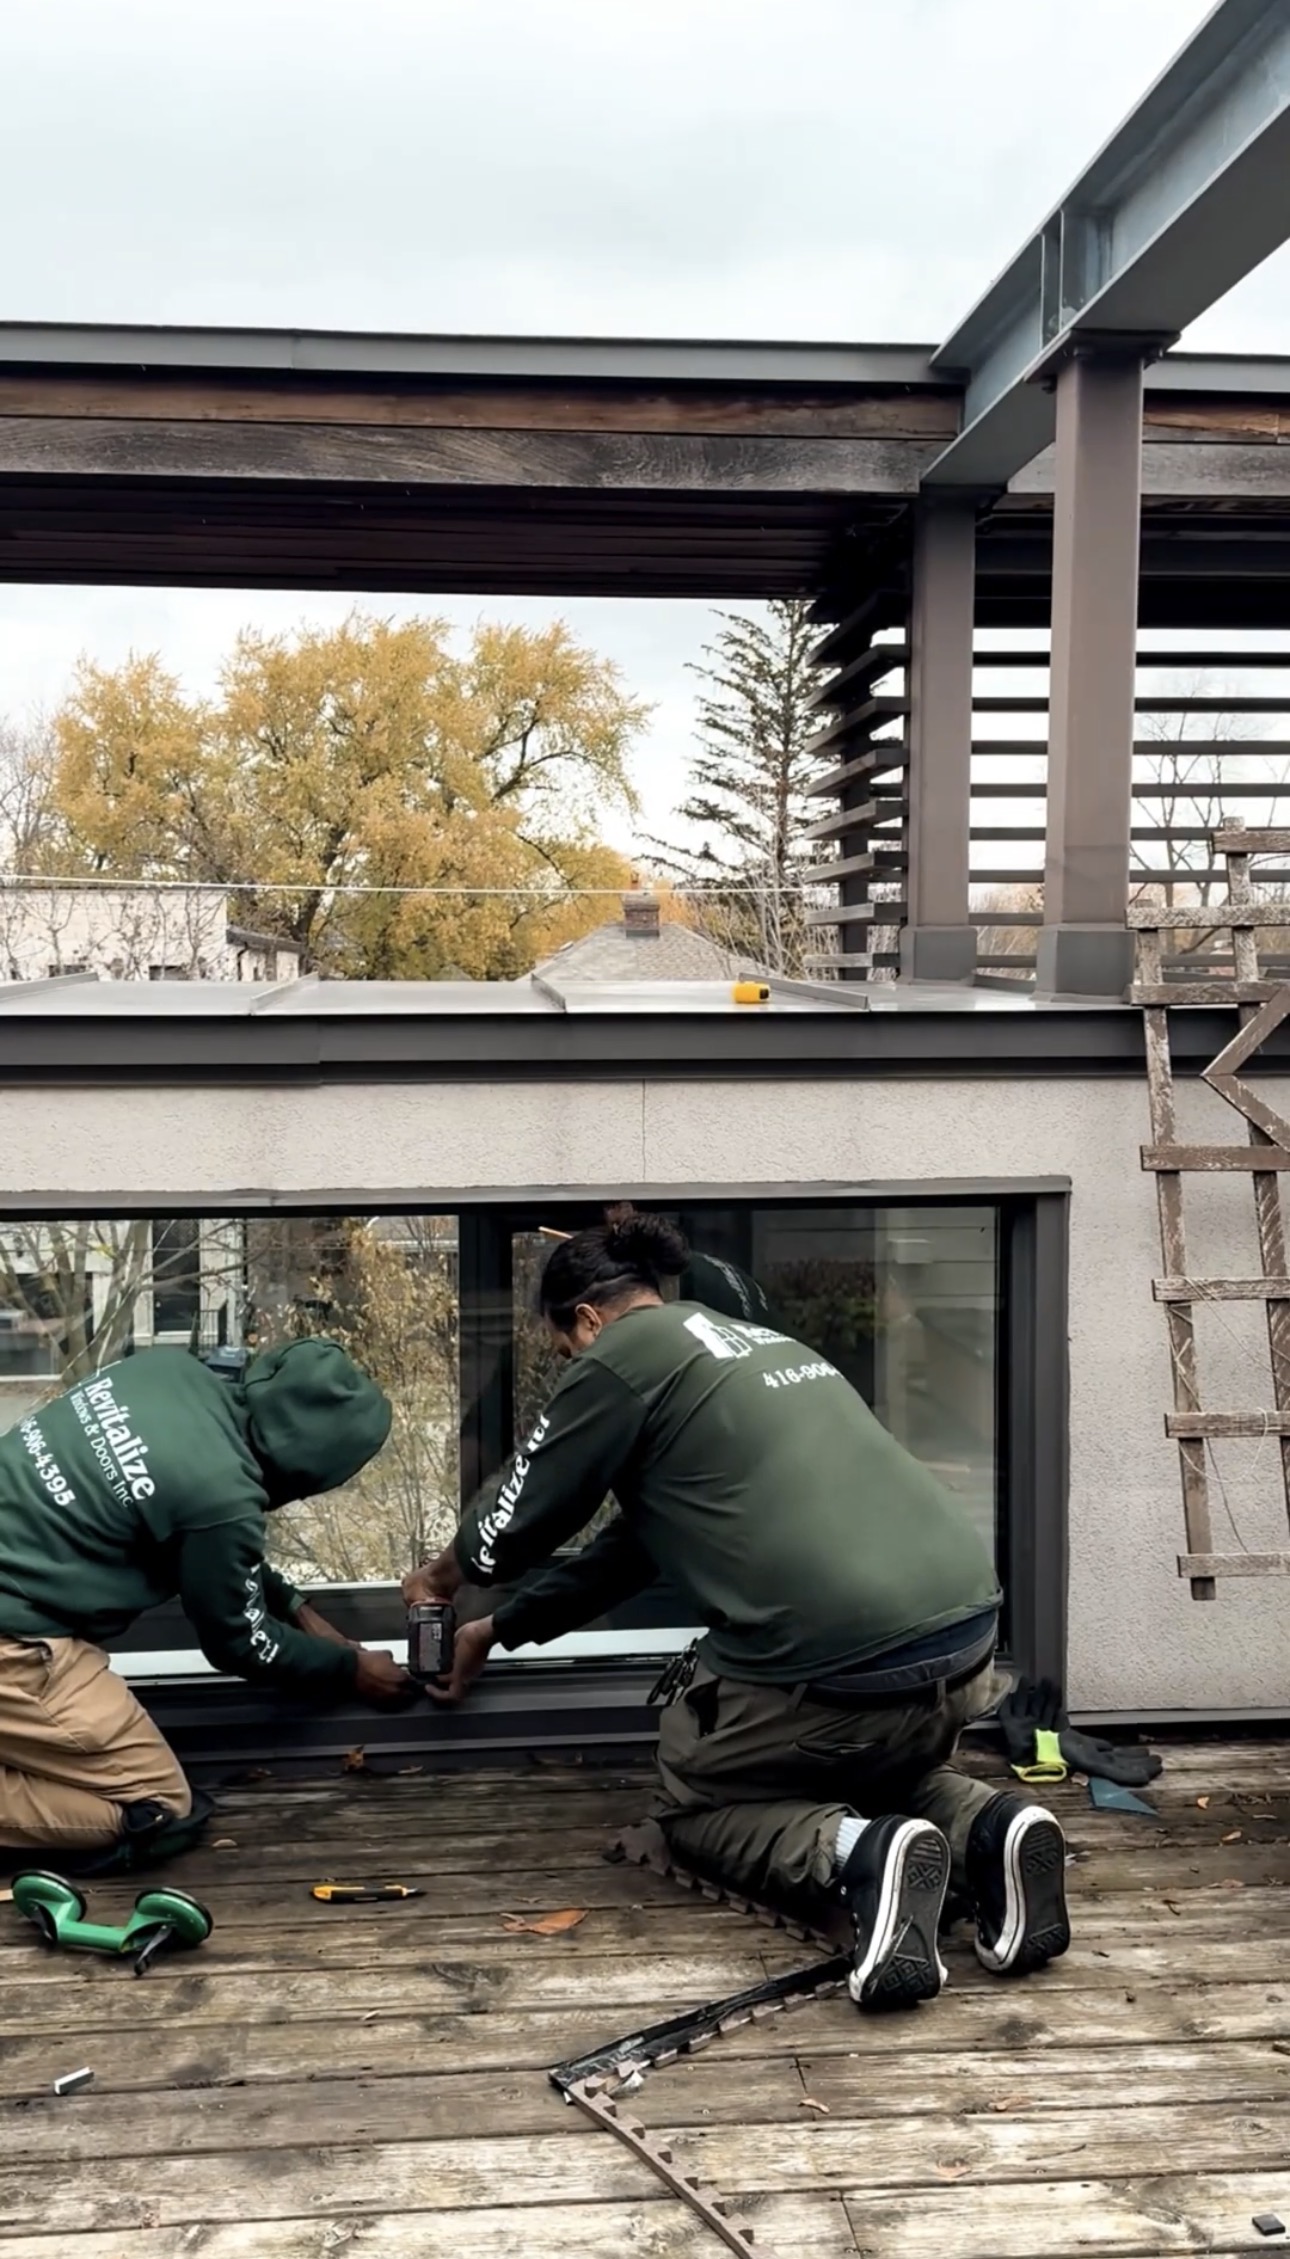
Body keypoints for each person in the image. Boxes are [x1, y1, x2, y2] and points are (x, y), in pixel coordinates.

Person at [405, 1214, 1069, 2010]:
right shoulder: (755, 1344)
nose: (566, 1362)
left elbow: (518, 1518)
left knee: (695, 1802)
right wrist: (494, 1630)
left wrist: (443, 1580)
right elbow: (626, 1553)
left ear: (587, 1317)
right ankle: (994, 1825)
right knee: (875, 1763)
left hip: (839, 1667)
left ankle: (860, 1853)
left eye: (562, 1347)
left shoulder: (622, 1355)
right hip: (965, 1648)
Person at [0, 1338, 413, 1870]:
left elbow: (202, 1541)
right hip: (15, 1639)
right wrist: (350, 1669)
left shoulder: (167, 1372)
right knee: (154, 1809)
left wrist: (298, 1608)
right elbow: (237, 1642)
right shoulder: (221, 1497)